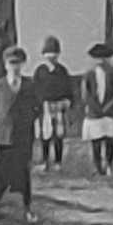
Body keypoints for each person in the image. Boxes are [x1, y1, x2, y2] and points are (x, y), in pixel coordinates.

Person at [0, 45, 40, 224]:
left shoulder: (29, 85)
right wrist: (0, 130)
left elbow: (36, 108)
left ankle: (26, 209)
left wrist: (27, 124)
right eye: (11, 63)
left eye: (18, 63)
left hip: (23, 137)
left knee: (23, 173)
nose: (14, 67)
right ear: (5, 64)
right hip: (2, 137)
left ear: (23, 64)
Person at [79, 42, 113, 177]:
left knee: (109, 141)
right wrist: (95, 108)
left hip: (109, 112)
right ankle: (98, 168)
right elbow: (86, 94)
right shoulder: (88, 75)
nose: (99, 61)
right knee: (96, 142)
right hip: (95, 113)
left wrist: (110, 105)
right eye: (96, 58)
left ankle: (109, 166)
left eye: (103, 58)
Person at [32, 36, 73, 173]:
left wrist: (67, 101)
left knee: (58, 136)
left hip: (60, 106)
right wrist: (37, 106)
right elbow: (35, 90)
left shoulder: (62, 71)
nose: (51, 57)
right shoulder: (40, 71)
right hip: (45, 107)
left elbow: (69, 89)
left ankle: (58, 161)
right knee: (45, 135)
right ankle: (44, 161)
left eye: (54, 54)